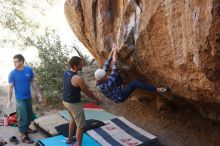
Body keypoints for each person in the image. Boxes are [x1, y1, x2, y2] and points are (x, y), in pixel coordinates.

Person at [95, 44, 169, 102]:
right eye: (105, 75)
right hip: (120, 96)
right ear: (103, 78)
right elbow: (114, 70)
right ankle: (157, 89)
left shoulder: (100, 79)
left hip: (115, 89)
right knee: (135, 83)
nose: (106, 75)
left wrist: (112, 51)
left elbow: (106, 65)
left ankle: (122, 85)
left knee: (117, 75)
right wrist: (114, 57)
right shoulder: (106, 86)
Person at [62, 56, 100, 146]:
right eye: (80, 63)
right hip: (74, 104)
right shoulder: (77, 78)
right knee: (81, 126)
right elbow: (87, 91)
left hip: (65, 101)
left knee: (72, 120)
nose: (82, 64)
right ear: (75, 66)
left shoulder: (67, 72)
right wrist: (96, 99)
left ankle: (70, 140)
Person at [7, 54, 42, 144]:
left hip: (28, 97)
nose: (14, 63)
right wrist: (9, 100)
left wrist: (38, 92)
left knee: (30, 115)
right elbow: (10, 87)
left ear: (22, 61)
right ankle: (23, 135)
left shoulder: (28, 70)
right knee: (22, 117)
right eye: (13, 61)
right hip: (20, 99)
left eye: (16, 61)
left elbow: (32, 81)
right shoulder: (12, 73)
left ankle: (27, 129)